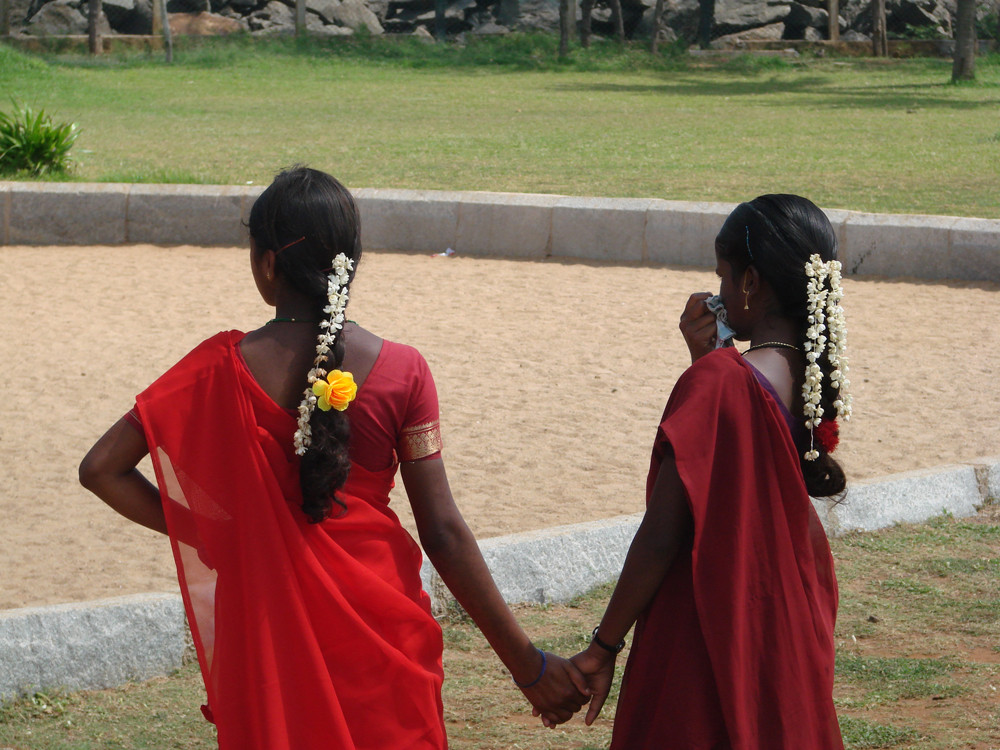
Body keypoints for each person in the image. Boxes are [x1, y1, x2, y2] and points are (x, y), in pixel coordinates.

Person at [79, 166, 587, 750]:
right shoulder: (404, 372)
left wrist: (220, 533)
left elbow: (101, 469)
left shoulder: (214, 371)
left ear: (268, 263)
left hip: (269, 640)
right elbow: (443, 533)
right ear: (350, 261)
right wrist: (529, 667)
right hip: (382, 636)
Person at [570, 194, 850, 749]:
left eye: (722, 277)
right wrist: (711, 364)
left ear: (750, 282)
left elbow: (664, 532)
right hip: (784, 620)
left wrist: (603, 646)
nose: (718, 292)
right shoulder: (807, 381)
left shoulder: (722, 382)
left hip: (707, 625)